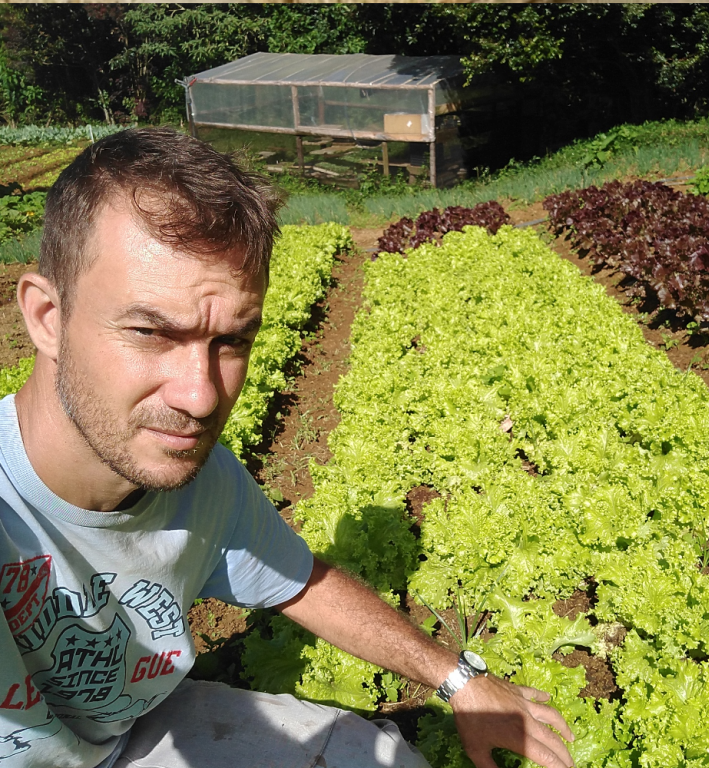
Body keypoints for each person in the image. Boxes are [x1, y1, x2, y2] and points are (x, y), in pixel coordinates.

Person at [0, 127, 575, 768]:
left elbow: (302, 582)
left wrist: (459, 680)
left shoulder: (207, 483)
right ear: (47, 318)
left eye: (232, 342)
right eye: (150, 332)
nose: (200, 396)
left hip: (135, 734)